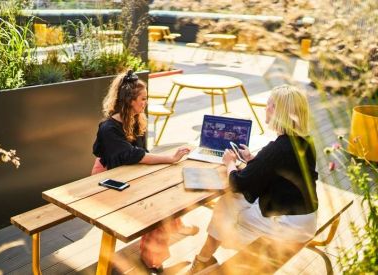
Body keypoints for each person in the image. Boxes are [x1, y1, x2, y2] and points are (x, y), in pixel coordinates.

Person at [187, 84, 319, 274]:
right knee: (231, 203)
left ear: (277, 111)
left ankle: (203, 260)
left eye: (269, 105)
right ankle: (204, 258)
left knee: (227, 203)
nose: (266, 108)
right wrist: (253, 160)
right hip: (305, 221)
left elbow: (237, 183)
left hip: (286, 229)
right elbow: (282, 168)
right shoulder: (306, 142)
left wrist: (229, 162)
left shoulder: (276, 149)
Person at [92, 70, 198, 273]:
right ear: (129, 100)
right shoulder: (109, 129)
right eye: (143, 99)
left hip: (131, 171)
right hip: (107, 177)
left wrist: (164, 165)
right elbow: (134, 155)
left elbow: (141, 153)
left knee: (168, 189)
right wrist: (170, 158)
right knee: (156, 207)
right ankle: (153, 259)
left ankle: (174, 226)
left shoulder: (135, 118)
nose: (145, 103)